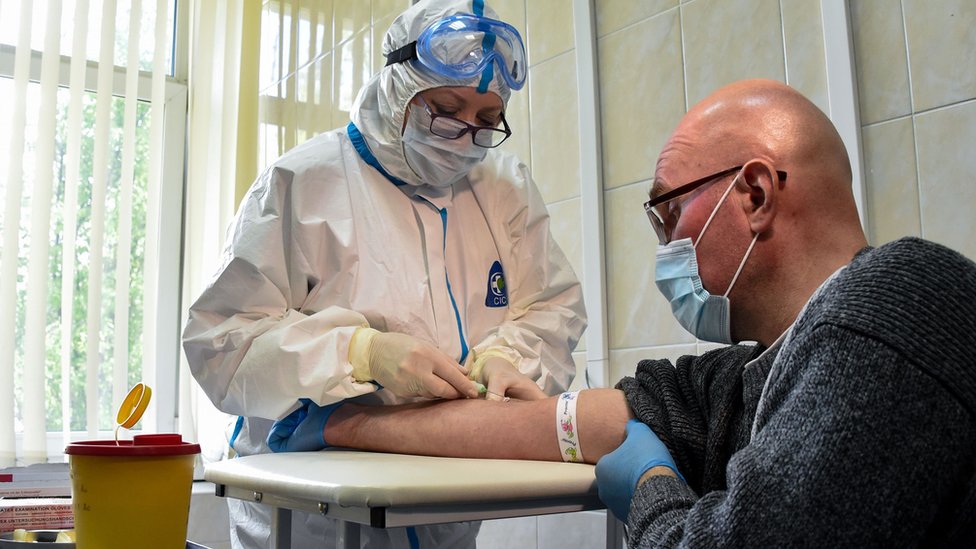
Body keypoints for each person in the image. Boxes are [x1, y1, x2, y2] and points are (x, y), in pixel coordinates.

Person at [270, 79, 976, 547]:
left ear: (755, 193)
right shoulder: (758, 372)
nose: (664, 246)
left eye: (669, 211)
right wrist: (340, 417)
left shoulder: (894, 302)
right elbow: (595, 420)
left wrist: (651, 490)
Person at [181, 0, 586, 547]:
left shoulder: (502, 188)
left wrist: (506, 357)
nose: (466, 135)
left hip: (445, 509)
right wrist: (360, 354)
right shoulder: (303, 182)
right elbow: (220, 342)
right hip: (310, 521)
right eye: (446, 108)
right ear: (399, 85)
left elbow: (551, 304)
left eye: (487, 120)